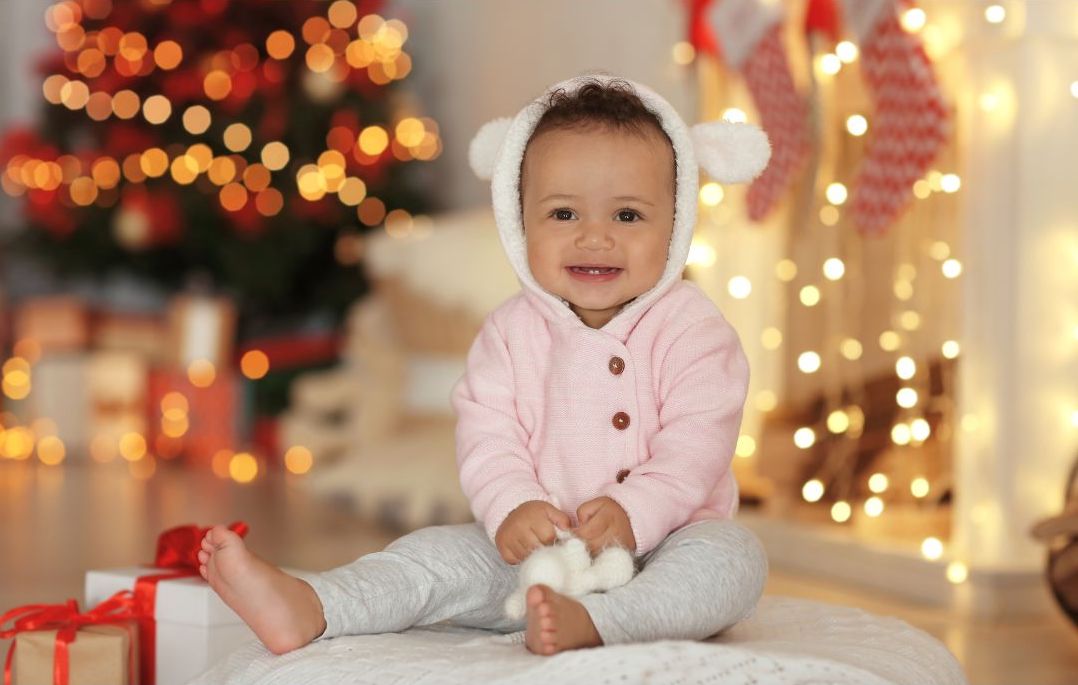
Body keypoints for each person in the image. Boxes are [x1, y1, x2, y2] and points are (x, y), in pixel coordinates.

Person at [199, 73, 770, 658]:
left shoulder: (694, 330)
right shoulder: (511, 331)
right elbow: (488, 434)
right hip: (543, 549)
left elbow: (697, 443)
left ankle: (605, 620)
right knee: (435, 557)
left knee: (734, 562)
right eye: (564, 215)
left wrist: (638, 510)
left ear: (674, 225)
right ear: (520, 221)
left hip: (671, 540)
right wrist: (511, 506)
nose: (595, 238)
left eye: (627, 216)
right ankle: (318, 605)